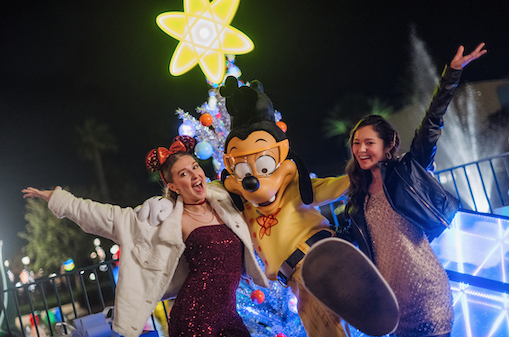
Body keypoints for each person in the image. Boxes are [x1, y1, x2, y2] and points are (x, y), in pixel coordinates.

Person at [22, 135, 269, 337]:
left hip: (229, 315)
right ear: (172, 186)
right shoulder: (166, 219)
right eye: (183, 173)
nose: (195, 175)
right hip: (194, 318)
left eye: (195, 167)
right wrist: (59, 199)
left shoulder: (224, 199)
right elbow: (105, 217)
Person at [343, 43, 486, 337]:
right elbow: (353, 241)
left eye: (369, 142)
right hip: (392, 305)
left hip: (428, 294)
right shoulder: (357, 194)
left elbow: (431, 121)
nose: (361, 149)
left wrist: (452, 74)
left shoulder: (408, 171)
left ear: (387, 146)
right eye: (357, 143)